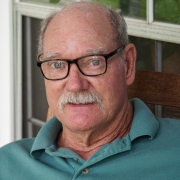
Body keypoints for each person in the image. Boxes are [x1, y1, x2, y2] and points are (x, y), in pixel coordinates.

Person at [0, 1, 180, 179]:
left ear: (127, 65)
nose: (75, 85)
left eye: (94, 61)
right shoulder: (7, 163)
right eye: (57, 64)